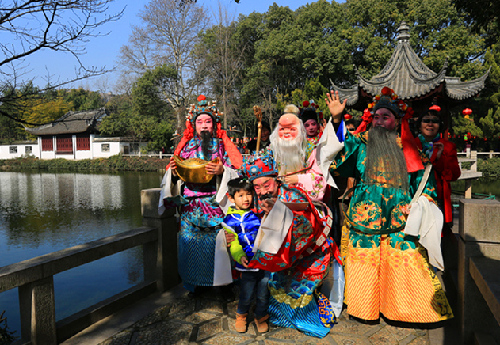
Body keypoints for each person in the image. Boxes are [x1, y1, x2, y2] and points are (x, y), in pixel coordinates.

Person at [324, 87, 453, 323]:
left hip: (400, 219)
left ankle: (401, 311)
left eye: (386, 116)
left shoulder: (409, 148)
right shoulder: (361, 144)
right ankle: (365, 309)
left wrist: (420, 204)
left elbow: (426, 185)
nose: (380, 121)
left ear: (397, 120)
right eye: (376, 117)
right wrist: (336, 119)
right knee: (365, 263)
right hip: (365, 217)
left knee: (403, 263)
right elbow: (338, 150)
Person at [239, 153, 338, 338]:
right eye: (256, 187)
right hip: (278, 253)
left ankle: (305, 317)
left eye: (266, 185)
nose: (261, 191)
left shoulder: (294, 194)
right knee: (272, 280)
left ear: (276, 180)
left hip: (307, 251)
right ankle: (273, 315)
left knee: (299, 285)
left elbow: (306, 226)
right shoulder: (257, 200)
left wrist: (280, 212)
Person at [159, 94, 242, 296]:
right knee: (191, 244)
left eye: (208, 121)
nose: (204, 125)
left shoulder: (223, 146)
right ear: (193, 125)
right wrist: (172, 169)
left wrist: (223, 171)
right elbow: (176, 173)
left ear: (214, 125)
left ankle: (222, 285)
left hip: (216, 202)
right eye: (200, 122)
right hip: (191, 205)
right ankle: (194, 284)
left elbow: (237, 170)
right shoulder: (186, 147)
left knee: (219, 245)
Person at [415, 105, 461, 268]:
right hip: (415, 198)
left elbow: (454, 174)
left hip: (438, 199)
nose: (430, 124)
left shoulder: (447, 146)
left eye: (434, 121)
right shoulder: (411, 144)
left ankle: (434, 272)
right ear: (419, 124)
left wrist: (440, 158)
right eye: (426, 120)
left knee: (435, 237)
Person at [222, 177, 270, 333]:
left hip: (263, 260)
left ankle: (260, 316)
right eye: (240, 195)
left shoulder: (257, 214)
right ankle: (241, 315)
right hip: (246, 263)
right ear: (231, 198)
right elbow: (234, 243)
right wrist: (239, 256)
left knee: (264, 292)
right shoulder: (229, 221)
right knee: (246, 292)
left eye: (249, 194)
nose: (246, 199)